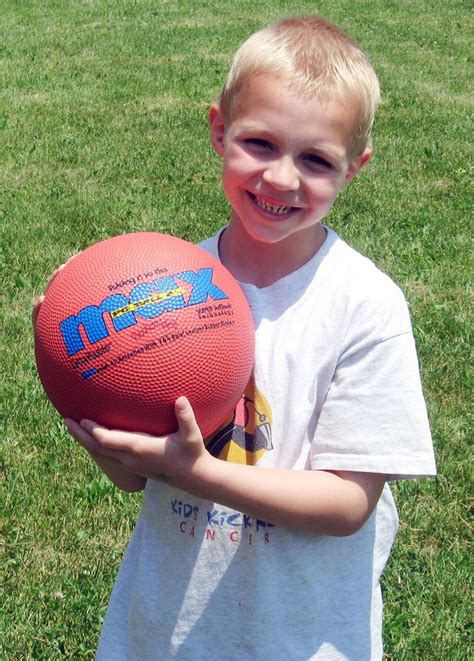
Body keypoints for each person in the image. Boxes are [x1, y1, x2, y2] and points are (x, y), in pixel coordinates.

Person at [33, 15, 436, 660]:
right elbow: (135, 477)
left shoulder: (364, 305)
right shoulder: (159, 289)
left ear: (354, 168)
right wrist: (78, 376)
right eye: (259, 144)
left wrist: (199, 473)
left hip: (299, 635)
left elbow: (346, 504)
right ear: (219, 130)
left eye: (315, 159)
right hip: (166, 631)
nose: (281, 178)